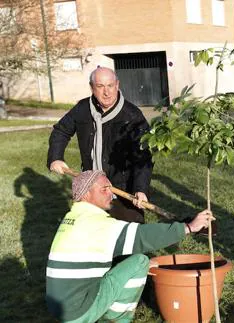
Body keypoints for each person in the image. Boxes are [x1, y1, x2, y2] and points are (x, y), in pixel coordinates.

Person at [45, 170, 214, 322]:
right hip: (79, 312)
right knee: (140, 261)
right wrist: (189, 227)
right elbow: (142, 236)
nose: (111, 194)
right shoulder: (98, 224)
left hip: (59, 308)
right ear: (86, 195)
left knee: (131, 263)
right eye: (104, 189)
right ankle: (116, 320)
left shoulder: (72, 218)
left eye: (110, 188)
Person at [47, 67, 153, 223]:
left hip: (122, 190)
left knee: (130, 238)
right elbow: (61, 131)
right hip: (91, 189)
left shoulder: (132, 115)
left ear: (117, 85)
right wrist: (55, 158)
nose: (107, 92)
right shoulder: (82, 109)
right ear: (91, 87)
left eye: (110, 86)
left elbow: (143, 156)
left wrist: (140, 188)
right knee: (89, 236)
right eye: (100, 86)